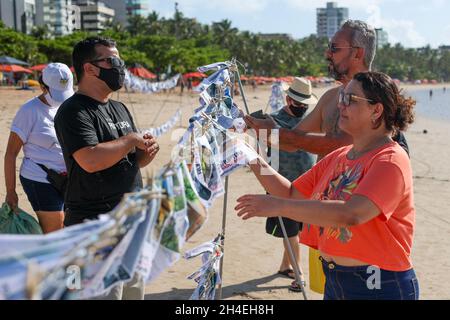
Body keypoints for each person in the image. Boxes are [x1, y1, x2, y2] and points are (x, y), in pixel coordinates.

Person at [236, 71, 418, 300]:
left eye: (350, 99)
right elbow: (291, 192)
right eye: (342, 97)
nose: (340, 105)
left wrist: (277, 206)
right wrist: (251, 156)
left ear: (376, 110)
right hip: (335, 279)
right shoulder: (340, 156)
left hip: (379, 284)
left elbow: (351, 214)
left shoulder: (390, 160)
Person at [54, 37, 159, 300]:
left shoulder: (119, 107)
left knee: (132, 292)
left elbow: (128, 162)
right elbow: (90, 160)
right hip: (91, 228)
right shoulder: (73, 111)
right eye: (113, 61)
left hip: (130, 221)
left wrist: (144, 154)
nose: (120, 67)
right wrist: (131, 140)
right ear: (89, 68)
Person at [244, 20, 409, 159]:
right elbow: (292, 143)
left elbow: (340, 145)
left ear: (357, 53)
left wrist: (278, 133)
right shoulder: (330, 97)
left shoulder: (375, 98)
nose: (327, 53)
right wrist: (255, 129)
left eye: (334, 48)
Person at [253, 77, 316, 287]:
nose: (300, 107)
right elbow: (262, 152)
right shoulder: (273, 121)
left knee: (297, 230)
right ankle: (298, 273)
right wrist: (265, 181)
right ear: (288, 100)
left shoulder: (310, 121)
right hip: (283, 185)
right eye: (297, 103)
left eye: (304, 104)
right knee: (290, 230)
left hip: (308, 184)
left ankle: (284, 266)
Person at [4, 63, 74, 234]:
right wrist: (11, 191)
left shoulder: (69, 105)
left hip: (67, 179)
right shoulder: (29, 111)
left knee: (69, 227)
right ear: (42, 86)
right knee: (55, 231)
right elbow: (11, 154)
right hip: (39, 178)